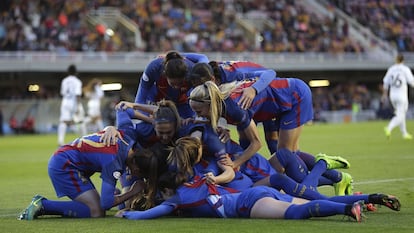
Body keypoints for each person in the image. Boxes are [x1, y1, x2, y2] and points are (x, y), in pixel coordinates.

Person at [115, 137, 400, 222]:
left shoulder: (175, 200)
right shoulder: (200, 178)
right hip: (251, 196)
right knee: (312, 201)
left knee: (299, 212)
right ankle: (368, 198)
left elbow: (148, 214)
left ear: (165, 188)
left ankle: (346, 206)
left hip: (249, 204)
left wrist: (126, 214)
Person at [189, 80, 353, 195]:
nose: (198, 115)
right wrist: (221, 128)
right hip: (276, 106)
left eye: (198, 111)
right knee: (290, 166)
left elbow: (256, 143)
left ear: (210, 104)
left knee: (293, 164)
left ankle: (324, 165)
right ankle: (337, 177)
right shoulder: (219, 102)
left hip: (293, 96)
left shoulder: (235, 108)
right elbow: (205, 122)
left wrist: (235, 163)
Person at [17, 109, 158, 220]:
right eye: (138, 173)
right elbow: (106, 204)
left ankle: (109, 193)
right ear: (135, 165)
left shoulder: (128, 135)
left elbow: (122, 109)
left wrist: (151, 120)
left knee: (104, 200)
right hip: (64, 165)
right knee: (96, 211)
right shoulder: (114, 162)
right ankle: (43, 205)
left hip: (69, 158)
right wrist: (133, 192)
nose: (134, 175)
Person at [134, 51, 209, 121]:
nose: (176, 87)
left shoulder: (192, 71)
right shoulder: (153, 68)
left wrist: (181, 56)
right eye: (173, 84)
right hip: (157, 100)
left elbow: (203, 58)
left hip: (182, 102)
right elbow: (141, 97)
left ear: (185, 77)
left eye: (180, 83)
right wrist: (144, 117)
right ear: (165, 75)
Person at [382, 54, 414, 140]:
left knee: (400, 113)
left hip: (392, 96)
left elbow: (385, 82)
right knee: (400, 115)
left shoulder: (391, 69)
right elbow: (411, 81)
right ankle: (389, 128)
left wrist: (384, 95)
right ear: (403, 60)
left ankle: (404, 133)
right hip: (402, 95)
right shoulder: (405, 69)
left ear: (396, 60)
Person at [57, 64, 87, 146]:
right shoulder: (77, 81)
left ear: (68, 72)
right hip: (74, 102)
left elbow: (63, 93)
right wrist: (78, 106)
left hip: (65, 102)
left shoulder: (64, 80)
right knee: (80, 121)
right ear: (76, 72)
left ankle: (60, 140)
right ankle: (84, 140)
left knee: (63, 121)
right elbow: (77, 94)